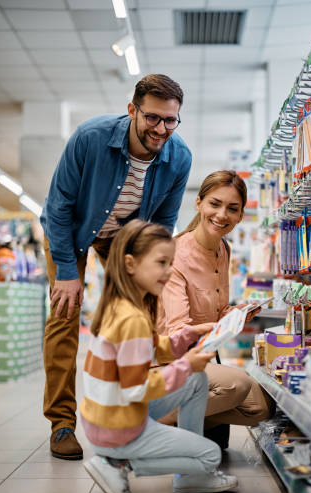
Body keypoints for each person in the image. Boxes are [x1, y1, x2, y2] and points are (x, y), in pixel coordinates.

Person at [40, 74, 192, 460]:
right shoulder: (90, 138)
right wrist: (69, 274)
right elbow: (57, 208)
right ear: (132, 111)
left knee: (141, 313)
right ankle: (62, 424)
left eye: (170, 120)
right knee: (64, 314)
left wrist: (155, 272)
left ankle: (136, 408)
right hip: (70, 230)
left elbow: (162, 225)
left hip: (125, 238)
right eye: (153, 118)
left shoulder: (179, 158)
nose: (161, 129)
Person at [81, 219, 238, 493]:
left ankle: (185, 475)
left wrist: (186, 336)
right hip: (118, 426)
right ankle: (119, 464)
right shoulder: (132, 319)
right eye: (162, 263)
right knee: (211, 454)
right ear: (130, 264)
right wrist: (186, 364)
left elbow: (153, 350)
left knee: (196, 381)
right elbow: (136, 389)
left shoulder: (124, 305)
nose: (169, 272)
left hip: (105, 415)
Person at [158, 170, 275, 448]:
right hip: (163, 362)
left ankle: (188, 426)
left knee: (261, 407)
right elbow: (178, 333)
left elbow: (217, 311)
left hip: (197, 359)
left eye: (232, 208)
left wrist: (237, 314)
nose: (222, 215)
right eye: (215, 204)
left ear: (240, 215)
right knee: (236, 384)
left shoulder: (224, 249)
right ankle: (147, 422)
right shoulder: (173, 256)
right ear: (198, 203)